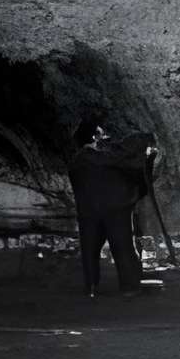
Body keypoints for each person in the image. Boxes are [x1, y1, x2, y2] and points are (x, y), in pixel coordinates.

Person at [65, 119, 153, 298]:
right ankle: (129, 288)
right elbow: (123, 159)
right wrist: (147, 154)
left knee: (90, 250)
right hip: (115, 209)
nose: (106, 137)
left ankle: (91, 287)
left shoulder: (77, 161)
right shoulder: (100, 157)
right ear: (94, 137)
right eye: (102, 133)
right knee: (123, 248)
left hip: (88, 211)